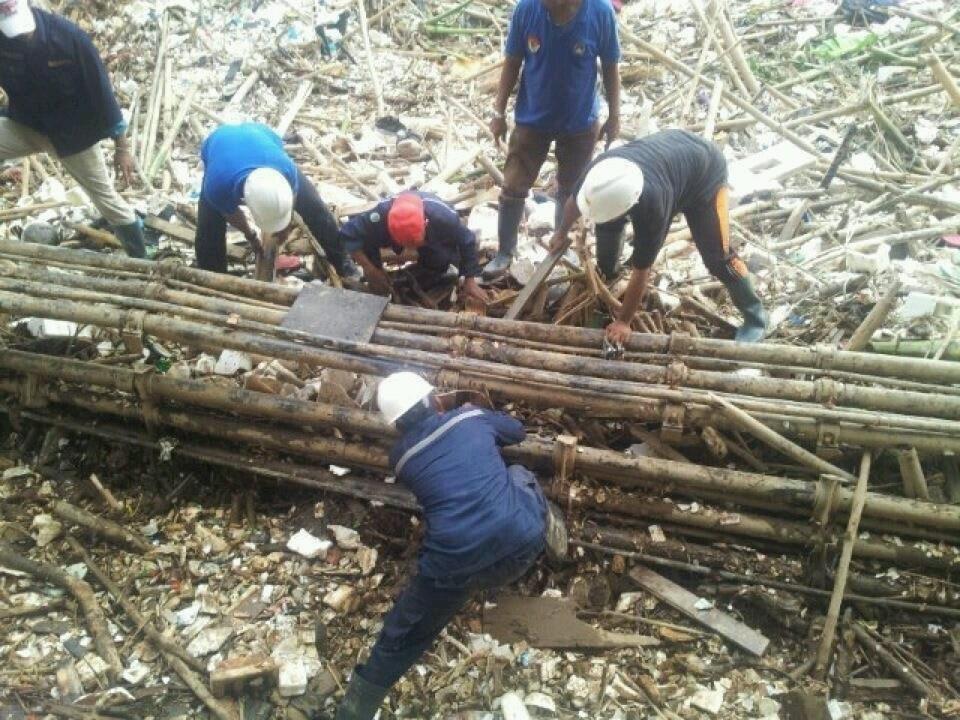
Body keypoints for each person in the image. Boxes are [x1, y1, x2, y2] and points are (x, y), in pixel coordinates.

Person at [333, 372, 567, 720]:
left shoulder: (401, 458)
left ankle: (354, 711)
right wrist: (477, 412)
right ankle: (555, 540)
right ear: (435, 400)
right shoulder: (470, 418)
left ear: (395, 424)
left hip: (454, 569)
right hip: (522, 543)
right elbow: (517, 431)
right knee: (518, 473)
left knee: (406, 629)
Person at [549, 129, 769, 343]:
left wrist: (624, 321)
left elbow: (642, 269)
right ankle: (610, 276)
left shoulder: (652, 206)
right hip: (672, 153)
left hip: (705, 176)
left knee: (718, 256)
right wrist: (560, 233)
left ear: (631, 204)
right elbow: (574, 202)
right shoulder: (599, 173)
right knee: (607, 224)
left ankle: (756, 318)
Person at [483, 0, 621, 279]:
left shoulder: (600, 12)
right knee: (512, 185)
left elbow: (610, 67)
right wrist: (498, 111)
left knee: (571, 189)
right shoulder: (527, 9)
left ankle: (561, 245)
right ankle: (505, 252)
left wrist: (615, 116)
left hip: (579, 121)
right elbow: (512, 62)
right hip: (532, 118)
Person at [0, 0, 145, 257]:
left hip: (72, 135)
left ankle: (142, 258)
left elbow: (104, 98)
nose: (19, 36)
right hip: (26, 124)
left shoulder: (70, 39)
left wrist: (122, 148)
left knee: (107, 201)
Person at [195, 123, 356, 278]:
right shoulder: (217, 184)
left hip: (260, 135)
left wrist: (285, 227)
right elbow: (230, 213)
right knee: (208, 230)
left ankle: (344, 265)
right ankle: (212, 279)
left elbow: (292, 199)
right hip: (219, 143)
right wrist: (250, 236)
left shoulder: (286, 169)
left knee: (315, 208)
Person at [337, 191, 489, 304]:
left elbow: (467, 240)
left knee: (441, 257)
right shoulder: (378, 216)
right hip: (382, 235)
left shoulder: (442, 216)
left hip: (433, 235)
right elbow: (347, 234)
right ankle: (380, 283)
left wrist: (470, 280)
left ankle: (431, 271)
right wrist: (370, 268)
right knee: (370, 250)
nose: (410, 248)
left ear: (426, 224)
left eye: (415, 244)